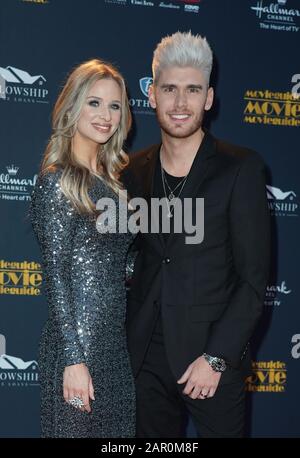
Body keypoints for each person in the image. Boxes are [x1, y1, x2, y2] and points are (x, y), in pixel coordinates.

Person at [122, 32, 270, 438]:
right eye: (169, 89)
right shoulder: (132, 172)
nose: (180, 103)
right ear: (151, 94)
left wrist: (217, 358)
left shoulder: (240, 169)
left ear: (209, 98)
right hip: (145, 361)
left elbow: (253, 281)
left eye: (192, 90)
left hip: (211, 361)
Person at [30, 59, 135, 438]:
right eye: (94, 103)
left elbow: (117, 265)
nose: (105, 115)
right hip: (75, 351)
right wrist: (73, 360)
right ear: (72, 107)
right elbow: (56, 276)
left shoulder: (115, 187)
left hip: (114, 353)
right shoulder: (58, 182)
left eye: (115, 105)